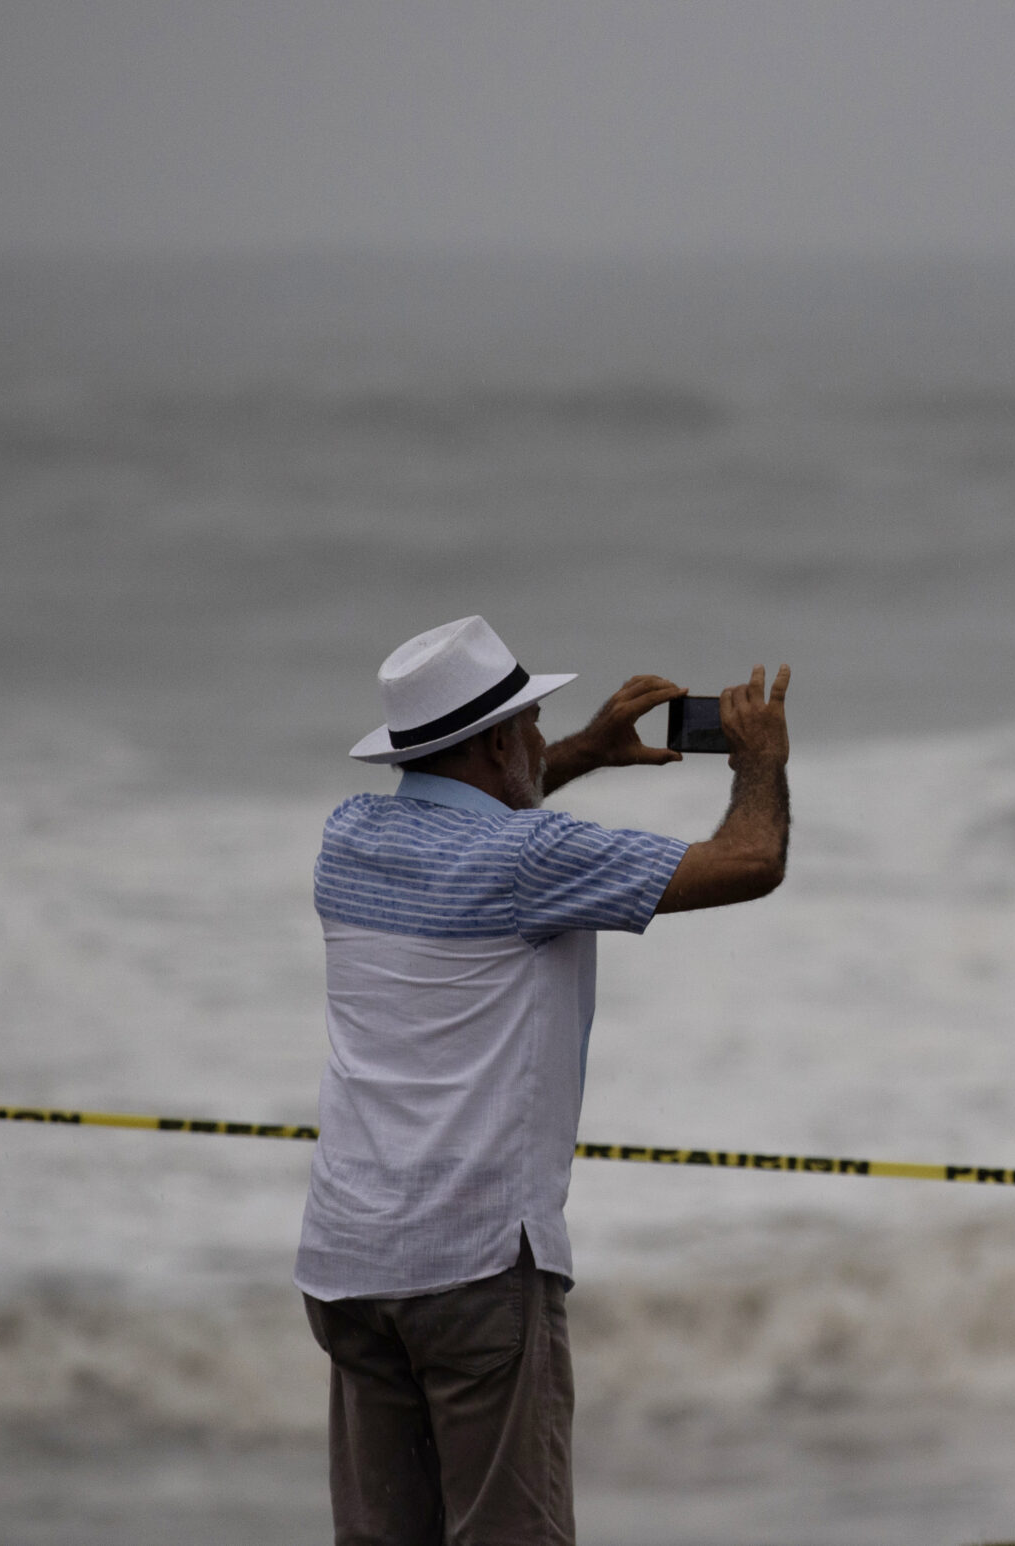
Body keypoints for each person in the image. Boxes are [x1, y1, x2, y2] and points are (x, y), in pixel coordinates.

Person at [295, 614, 789, 1546]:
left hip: (348, 1260)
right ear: (491, 742)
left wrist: (585, 752)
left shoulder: (349, 839)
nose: (536, 738)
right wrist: (757, 760)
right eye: (528, 723)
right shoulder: (534, 861)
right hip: (474, 1260)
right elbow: (750, 862)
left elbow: (473, 806)